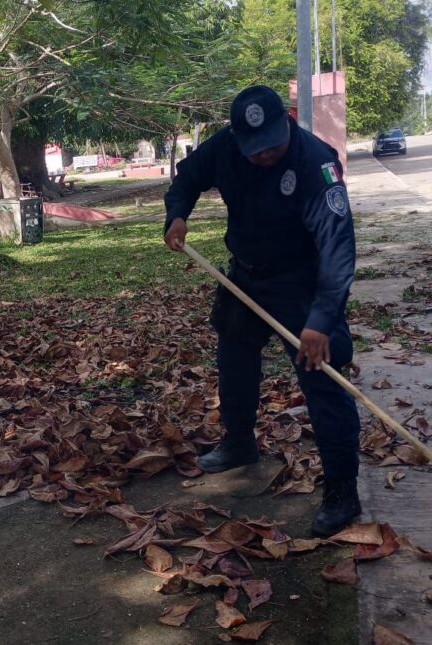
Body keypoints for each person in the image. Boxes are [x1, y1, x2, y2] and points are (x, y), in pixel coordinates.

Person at [163, 85, 361, 536]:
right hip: (246, 275)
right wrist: (177, 213)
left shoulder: (316, 162)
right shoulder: (225, 146)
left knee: (323, 381)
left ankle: (342, 491)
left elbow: (337, 247)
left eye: (273, 144)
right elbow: (187, 177)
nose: (265, 155)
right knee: (233, 358)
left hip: (302, 283)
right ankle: (238, 442)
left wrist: (321, 319)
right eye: (255, 149)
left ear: (286, 123)